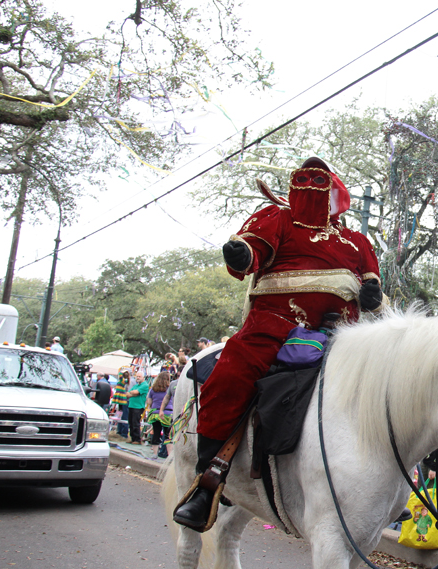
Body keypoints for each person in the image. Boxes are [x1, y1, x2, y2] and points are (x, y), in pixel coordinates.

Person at [173, 157, 384, 532]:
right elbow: (252, 252)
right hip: (274, 326)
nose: (311, 185)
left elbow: (373, 287)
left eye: (320, 179)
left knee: (388, 390)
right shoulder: (276, 218)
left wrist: (370, 295)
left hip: (343, 337)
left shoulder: (355, 240)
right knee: (231, 374)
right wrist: (242, 255)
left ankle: (386, 487)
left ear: (335, 190)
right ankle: (209, 480)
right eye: (304, 178)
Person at [145, 372, 173, 446]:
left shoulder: (153, 389)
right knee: (168, 435)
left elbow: (149, 401)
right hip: (167, 413)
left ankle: (154, 454)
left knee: (156, 434)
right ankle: (167, 453)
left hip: (155, 413)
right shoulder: (169, 388)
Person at [126, 371, 150, 445]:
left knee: (135, 423)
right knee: (130, 423)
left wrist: (133, 393)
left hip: (138, 407)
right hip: (131, 405)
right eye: (137, 376)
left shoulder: (145, 385)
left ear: (143, 377)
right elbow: (127, 394)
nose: (138, 378)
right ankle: (132, 437)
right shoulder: (136, 386)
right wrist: (133, 393)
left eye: (139, 376)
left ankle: (137, 439)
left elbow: (135, 392)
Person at [113, 371, 131, 438]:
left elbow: (120, 374)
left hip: (122, 398)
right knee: (120, 414)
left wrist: (122, 370)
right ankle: (120, 431)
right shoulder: (126, 381)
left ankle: (123, 433)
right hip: (122, 398)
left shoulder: (122, 380)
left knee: (124, 415)